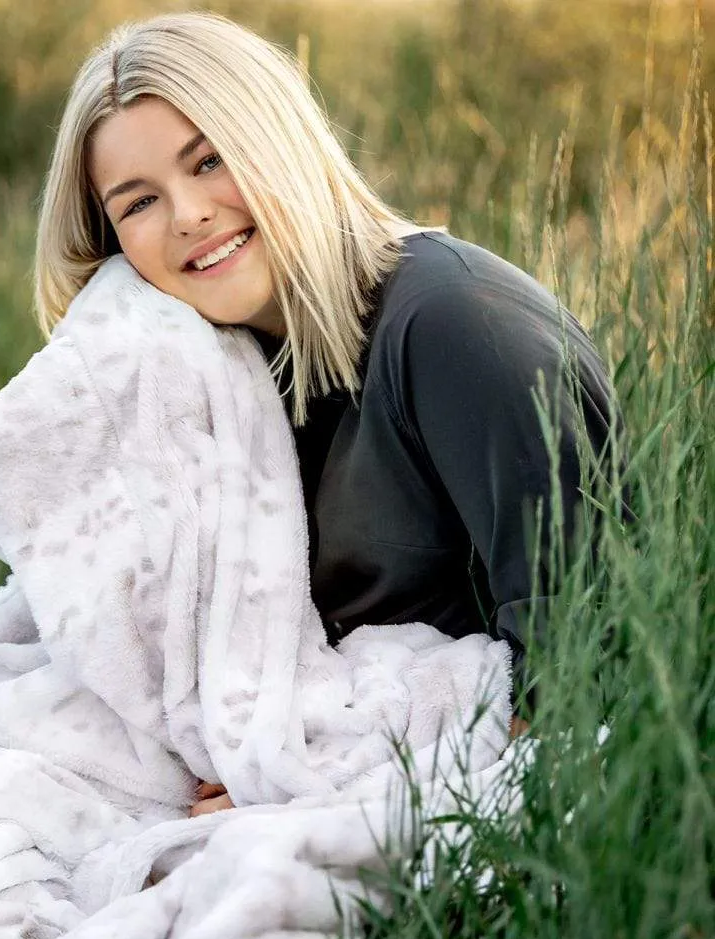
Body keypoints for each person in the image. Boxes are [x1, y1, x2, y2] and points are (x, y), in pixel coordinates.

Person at [33, 11, 622, 820]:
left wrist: (292, 806)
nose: (189, 215)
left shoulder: (455, 326)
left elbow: (588, 661)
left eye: (210, 160)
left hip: (444, 787)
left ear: (277, 137)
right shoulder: (216, 368)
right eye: (138, 204)